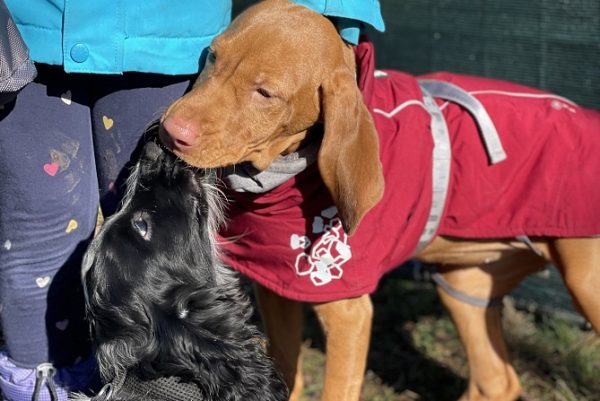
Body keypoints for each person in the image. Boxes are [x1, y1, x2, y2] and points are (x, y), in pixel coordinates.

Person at [0, 1, 384, 400]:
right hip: (28, 37)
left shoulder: (335, 109)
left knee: (166, 241)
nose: (178, 121)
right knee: (44, 242)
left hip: (166, 38)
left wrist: (330, 11)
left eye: (264, 92)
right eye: (217, 57)